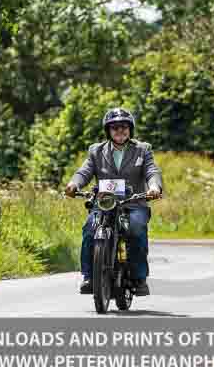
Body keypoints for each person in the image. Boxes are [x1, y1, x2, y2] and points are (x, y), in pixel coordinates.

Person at [65, 107, 163, 296]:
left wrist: (154, 187)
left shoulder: (143, 150)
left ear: (130, 129)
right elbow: (84, 171)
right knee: (90, 229)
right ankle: (89, 276)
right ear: (108, 131)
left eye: (124, 127)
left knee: (136, 229)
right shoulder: (96, 150)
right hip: (104, 203)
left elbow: (152, 171)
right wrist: (73, 184)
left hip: (133, 204)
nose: (120, 131)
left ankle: (139, 277)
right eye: (115, 127)